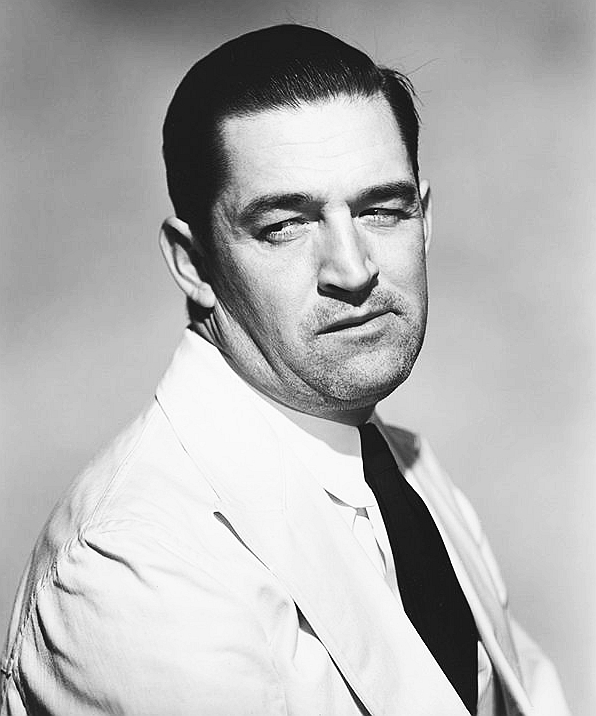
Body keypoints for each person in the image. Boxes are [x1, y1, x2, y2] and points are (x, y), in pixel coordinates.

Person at [0, 24, 570, 716]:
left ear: (424, 219)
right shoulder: (137, 563)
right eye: (284, 226)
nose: (353, 270)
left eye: (382, 211)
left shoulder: (402, 472)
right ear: (194, 263)